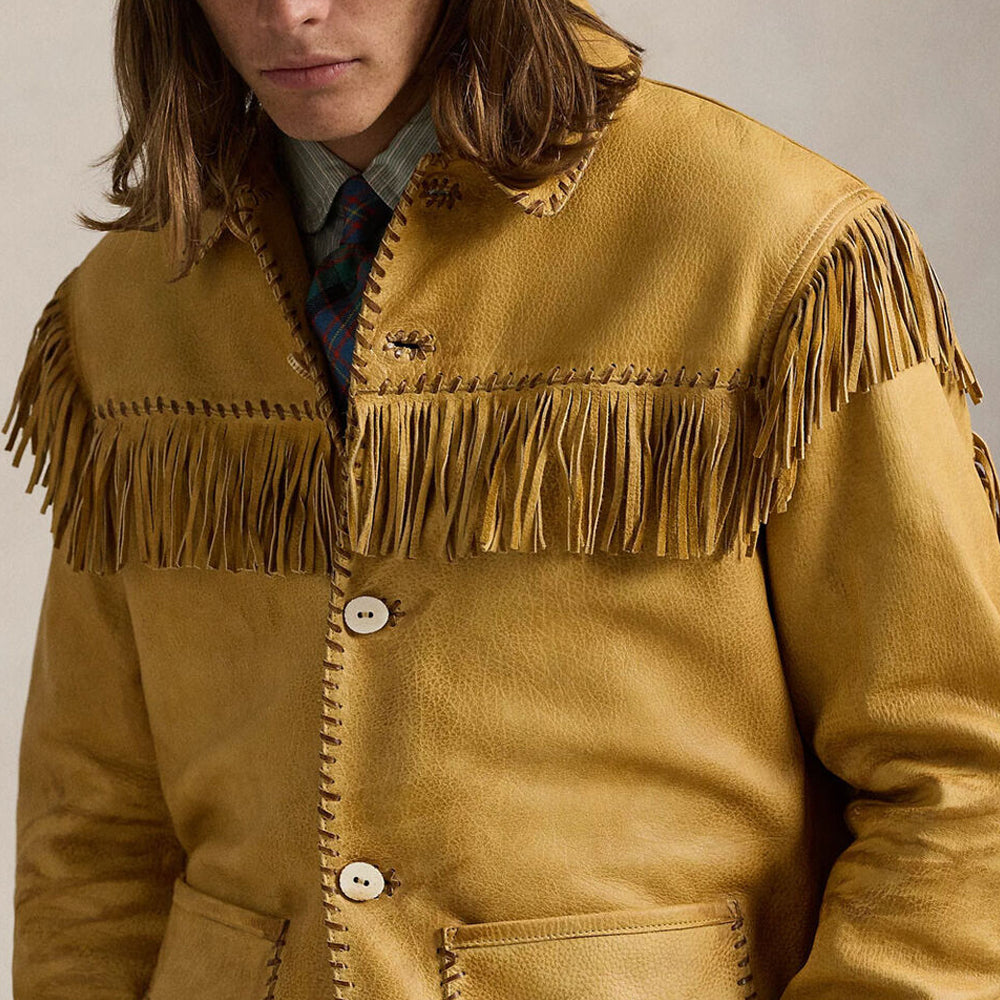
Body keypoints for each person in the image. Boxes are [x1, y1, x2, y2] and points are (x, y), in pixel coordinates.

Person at [5, 0, 1000, 997]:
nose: (291, 11)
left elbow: (960, 773)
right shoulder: (128, 301)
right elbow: (96, 830)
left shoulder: (767, 245)